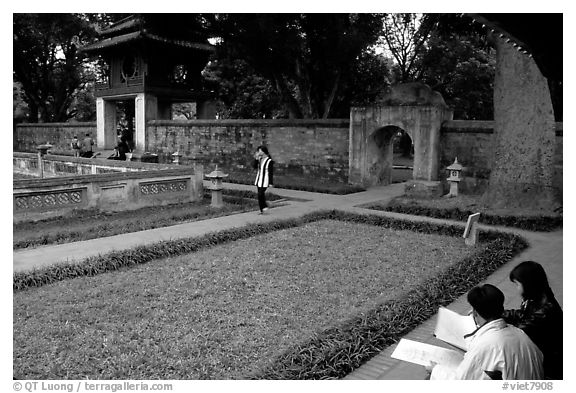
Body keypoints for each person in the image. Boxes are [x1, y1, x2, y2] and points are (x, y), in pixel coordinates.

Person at [428, 284, 544, 380]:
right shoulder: (520, 333)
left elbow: (460, 380)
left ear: (475, 313)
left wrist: (436, 370)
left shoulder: (484, 345)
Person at [502, 261, 563, 380]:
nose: (516, 289)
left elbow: (519, 332)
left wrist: (493, 320)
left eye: (517, 284)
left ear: (528, 284)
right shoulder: (535, 297)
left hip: (550, 364)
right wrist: (496, 314)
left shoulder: (545, 310)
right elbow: (522, 315)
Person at [253, 145, 274, 214]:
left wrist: (271, 183)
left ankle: (264, 207)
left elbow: (271, 172)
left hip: (265, 180)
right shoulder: (259, 159)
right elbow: (254, 167)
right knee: (260, 195)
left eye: (260, 151)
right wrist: (256, 159)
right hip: (259, 179)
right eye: (258, 151)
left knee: (260, 194)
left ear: (264, 151)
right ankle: (262, 210)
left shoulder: (269, 161)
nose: (259, 152)